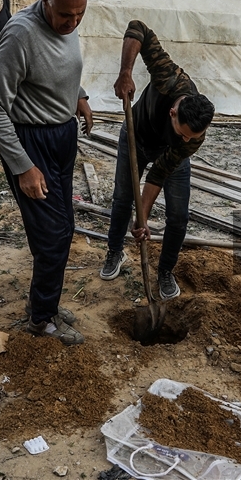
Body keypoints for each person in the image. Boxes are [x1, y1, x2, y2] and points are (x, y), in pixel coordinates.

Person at [0, 0, 93, 345]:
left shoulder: (69, 19)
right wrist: (23, 166)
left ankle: (44, 303)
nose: (72, 23)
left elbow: (66, 66)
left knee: (63, 230)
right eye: (65, 15)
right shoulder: (20, 35)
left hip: (62, 137)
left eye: (80, 15)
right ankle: (41, 319)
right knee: (52, 235)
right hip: (31, 142)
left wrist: (79, 96)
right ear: (45, 0)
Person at [99, 20, 215, 300]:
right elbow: (138, 28)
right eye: (184, 134)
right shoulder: (168, 79)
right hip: (136, 135)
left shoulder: (193, 137)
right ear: (173, 113)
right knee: (123, 198)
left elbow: (159, 174)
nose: (188, 140)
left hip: (165, 155)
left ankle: (165, 270)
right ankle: (115, 251)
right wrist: (125, 72)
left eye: (193, 137)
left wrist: (144, 219)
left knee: (178, 215)